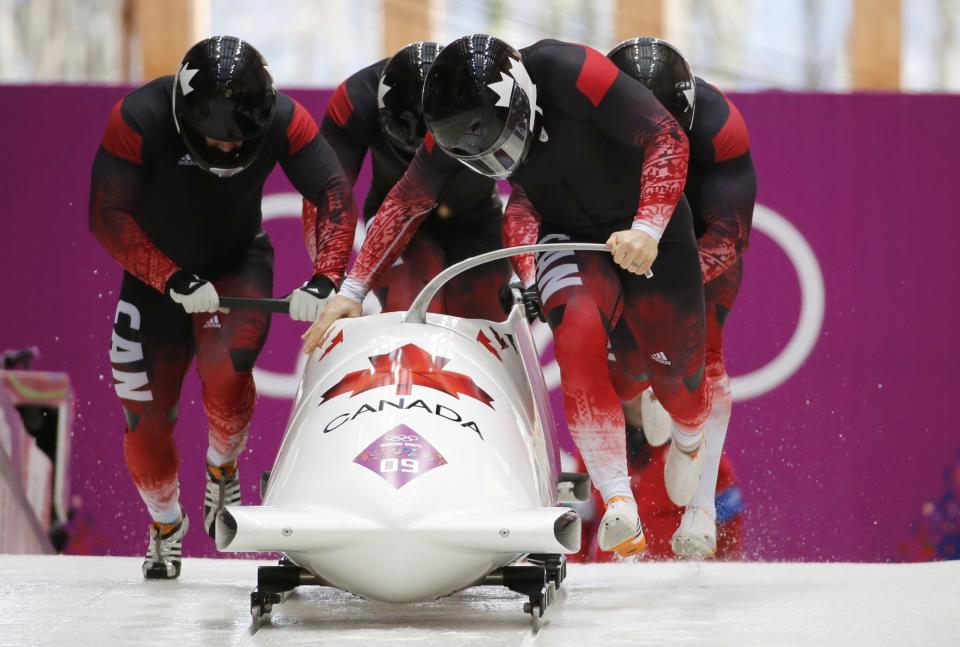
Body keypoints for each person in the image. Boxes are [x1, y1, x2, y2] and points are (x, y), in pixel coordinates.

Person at [303, 35, 713, 557]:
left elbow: (668, 136)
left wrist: (649, 225)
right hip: (565, 233)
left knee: (681, 384)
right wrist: (353, 288)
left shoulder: (572, 71)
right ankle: (617, 500)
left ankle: (688, 435)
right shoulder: (451, 130)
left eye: (499, 145)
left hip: (648, 231)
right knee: (577, 330)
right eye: (476, 157)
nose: (494, 161)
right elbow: (407, 200)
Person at [89, 36, 357, 578]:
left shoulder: (285, 117)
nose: (232, 150)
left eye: (244, 139)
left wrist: (328, 277)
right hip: (154, 279)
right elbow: (106, 213)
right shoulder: (138, 118)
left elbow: (332, 189)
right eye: (217, 138)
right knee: (146, 423)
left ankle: (222, 466)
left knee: (226, 371)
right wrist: (169, 277)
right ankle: (166, 525)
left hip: (237, 262)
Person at [606, 37, 757, 558]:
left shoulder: (721, 129)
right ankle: (649, 388)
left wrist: (673, 279)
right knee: (619, 358)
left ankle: (700, 510)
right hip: (624, 241)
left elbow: (731, 235)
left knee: (707, 350)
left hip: (695, 250)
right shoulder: (584, 124)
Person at [307, 41, 509, 317]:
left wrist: (531, 272)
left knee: (481, 315)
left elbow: (533, 182)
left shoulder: (482, 95)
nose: (421, 159)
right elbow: (327, 191)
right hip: (397, 218)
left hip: (476, 218)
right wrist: (326, 274)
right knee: (410, 304)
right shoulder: (355, 99)